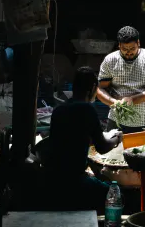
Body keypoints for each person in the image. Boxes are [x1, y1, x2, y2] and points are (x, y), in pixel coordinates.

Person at [46, 67, 122, 212]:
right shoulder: (87, 109)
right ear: (93, 88)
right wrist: (117, 138)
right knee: (116, 194)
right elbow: (102, 147)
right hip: (73, 181)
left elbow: (70, 138)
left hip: (53, 178)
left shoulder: (59, 109)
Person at [98, 26, 145, 134]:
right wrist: (113, 102)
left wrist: (132, 100)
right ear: (119, 45)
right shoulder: (110, 60)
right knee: (114, 151)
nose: (128, 52)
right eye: (124, 49)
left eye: (132, 48)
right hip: (116, 120)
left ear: (138, 43)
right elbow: (100, 88)